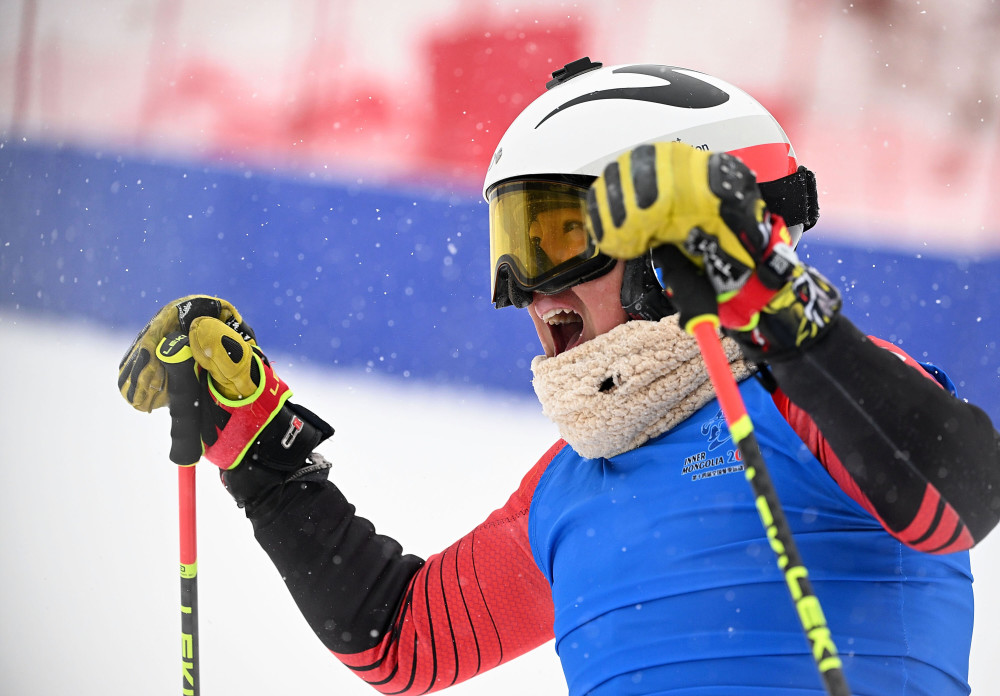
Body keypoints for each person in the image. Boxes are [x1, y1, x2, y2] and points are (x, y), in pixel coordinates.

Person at [119, 58, 1000, 695]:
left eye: (555, 240)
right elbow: (399, 639)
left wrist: (764, 292)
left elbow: (958, 495)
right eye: (513, 245)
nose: (522, 292)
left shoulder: (821, 396)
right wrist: (259, 444)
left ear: (672, 249)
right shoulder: (570, 487)